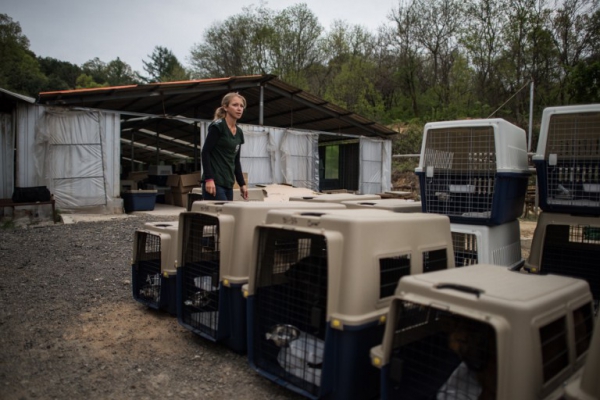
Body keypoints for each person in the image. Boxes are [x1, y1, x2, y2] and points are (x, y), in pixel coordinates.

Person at [201, 92, 249, 201]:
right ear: (225, 107)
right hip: (214, 183)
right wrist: (209, 179)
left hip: (228, 184)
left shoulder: (239, 132)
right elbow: (205, 152)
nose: (239, 109)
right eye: (235, 105)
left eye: (241, 106)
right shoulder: (218, 127)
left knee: (228, 216)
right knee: (219, 216)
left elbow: (236, 160)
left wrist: (242, 184)